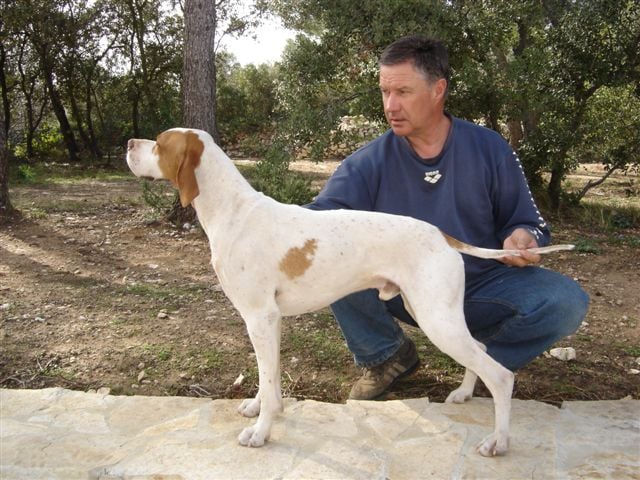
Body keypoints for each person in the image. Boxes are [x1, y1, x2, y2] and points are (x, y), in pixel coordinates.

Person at [307, 35, 589, 400]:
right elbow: (318, 221)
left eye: (403, 92)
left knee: (565, 301)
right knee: (336, 256)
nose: (391, 105)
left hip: (486, 287)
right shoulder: (366, 163)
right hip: (405, 289)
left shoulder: (490, 148)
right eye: (385, 92)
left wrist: (522, 235)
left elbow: (527, 221)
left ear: (438, 89)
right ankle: (387, 356)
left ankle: (489, 366)